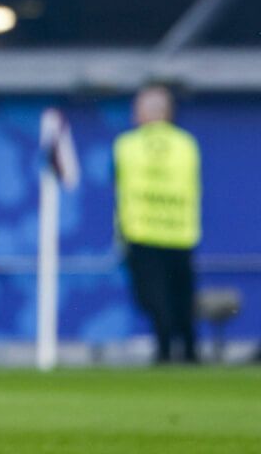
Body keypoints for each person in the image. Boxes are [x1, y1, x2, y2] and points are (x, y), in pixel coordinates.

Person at [114, 84, 201, 364]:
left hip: (142, 233)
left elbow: (120, 188)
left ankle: (164, 351)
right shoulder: (186, 144)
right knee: (182, 298)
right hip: (180, 233)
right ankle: (190, 352)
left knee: (152, 298)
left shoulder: (127, 145)